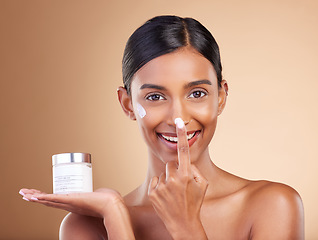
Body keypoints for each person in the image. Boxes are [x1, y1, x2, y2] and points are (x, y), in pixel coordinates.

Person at [19, 15, 304, 240]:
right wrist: (115, 215)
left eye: (197, 93)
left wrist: (186, 227)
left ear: (221, 97)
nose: (178, 118)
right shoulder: (87, 226)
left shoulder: (273, 207)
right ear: (128, 104)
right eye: (155, 97)